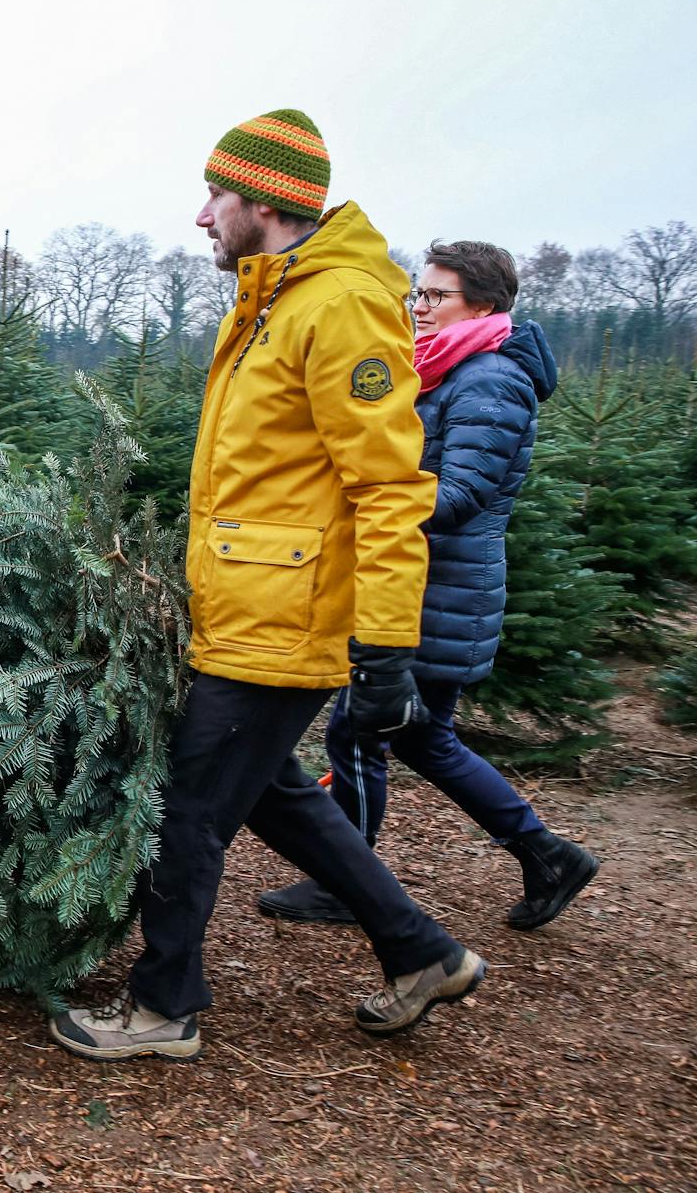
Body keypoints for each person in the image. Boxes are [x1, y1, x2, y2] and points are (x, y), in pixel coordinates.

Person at [50, 110, 485, 1062]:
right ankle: (421, 953)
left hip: (284, 623)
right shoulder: (271, 299)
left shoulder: (340, 307)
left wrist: (384, 644)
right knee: (273, 790)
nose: (203, 215)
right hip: (248, 606)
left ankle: (163, 1008)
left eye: (217, 195)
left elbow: (386, 486)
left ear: (266, 203)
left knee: (191, 806)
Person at [258, 241, 598, 930]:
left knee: (362, 730)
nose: (418, 305)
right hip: (429, 581)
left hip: (438, 586)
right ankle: (546, 852)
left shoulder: (489, 380)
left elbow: (462, 492)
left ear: (484, 304)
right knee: (416, 736)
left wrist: (368, 491)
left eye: (436, 295)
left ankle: (345, 881)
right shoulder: (451, 371)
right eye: (418, 292)